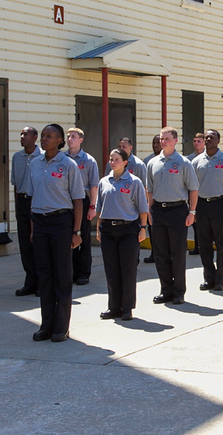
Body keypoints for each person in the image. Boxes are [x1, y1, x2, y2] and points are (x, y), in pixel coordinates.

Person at [27, 124, 84, 342]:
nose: (44, 139)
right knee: (44, 275)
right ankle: (46, 324)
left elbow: (78, 199)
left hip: (61, 221)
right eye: (43, 136)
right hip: (40, 222)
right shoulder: (35, 164)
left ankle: (61, 327)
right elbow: (32, 199)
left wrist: (76, 230)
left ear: (60, 140)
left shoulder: (68, 165)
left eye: (49, 136)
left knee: (62, 275)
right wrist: (33, 229)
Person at [146, 127, 199, 305]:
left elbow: (193, 188)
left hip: (177, 211)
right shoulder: (153, 163)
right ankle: (165, 290)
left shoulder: (183, 163)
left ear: (175, 140)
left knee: (177, 253)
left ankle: (178, 292)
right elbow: (150, 190)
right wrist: (150, 212)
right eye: (162, 139)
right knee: (160, 253)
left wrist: (192, 211)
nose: (163, 142)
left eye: (167, 139)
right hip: (158, 211)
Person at [96, 149, 149, 321]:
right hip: (108, 231)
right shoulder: (104, 182)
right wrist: (98, 229)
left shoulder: (134, 182)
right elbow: (100, 210)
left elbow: (142, 208)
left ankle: (127, 308)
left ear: (125, 162)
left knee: (127, 270)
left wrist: (143, 228)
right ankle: (114, 307)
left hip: (128, 230)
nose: (113, 162)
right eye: (111, 159)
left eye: (117, 159)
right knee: (111, 270)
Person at [192, 129, 223, 292]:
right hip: (202, 206)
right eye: (206, 137)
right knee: (204, 244)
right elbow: (192, 188)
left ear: (218, 140)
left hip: (220, 205)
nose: (209, 139)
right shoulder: (196, 162)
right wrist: (193, 210)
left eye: (212, 137)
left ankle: (219, 280)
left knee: (221, 244)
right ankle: (208, 278)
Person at [66, 128, 99, 285]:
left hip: (83, 201)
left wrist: (93, 206)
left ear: (80, 140)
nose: (70, 139)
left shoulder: (88, 160)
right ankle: (71, 271)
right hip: (65, 201)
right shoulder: (62, 158)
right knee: (67, 238)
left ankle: (84, 273)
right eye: (68, 136)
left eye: (73, 136)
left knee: (83, 238)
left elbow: (94, 186)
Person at [12, 126, 43, 297]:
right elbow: (16, 185)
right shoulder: (17, 157)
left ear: (35, 137)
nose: (22, 137)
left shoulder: (42, 158)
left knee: (37, 243)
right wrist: (17, 206)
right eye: (21, 134)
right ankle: (30, 281)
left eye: (26, 134)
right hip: (22, 202)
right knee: (25, 244)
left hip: (37, 201)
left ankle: (41, 282)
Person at [142, 134, 162, 264]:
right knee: (153, 230)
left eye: (157, 143)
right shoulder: (147, 161)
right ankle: (154, 253)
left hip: (164, 200)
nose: (155, 146)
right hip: (151, 200)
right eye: (153, 143)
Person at [187, 132, 206, 256]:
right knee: (195, 223)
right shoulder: (189, 159)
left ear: (204, 142)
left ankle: (204, 246)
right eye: (194, 141)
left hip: (205, 194)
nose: (196, 143)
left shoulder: (207, 156)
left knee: (204, 224)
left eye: (199, 141)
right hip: (193, 195)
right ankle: (197, 245)